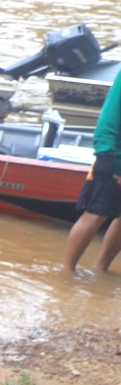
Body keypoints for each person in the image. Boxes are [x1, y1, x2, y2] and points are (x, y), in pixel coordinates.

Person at [63, 74, 121, 273]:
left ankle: (101, 268)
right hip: (115, 159)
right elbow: (109, 116)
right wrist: (104, 152)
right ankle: (67, 271)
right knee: (96, 214)